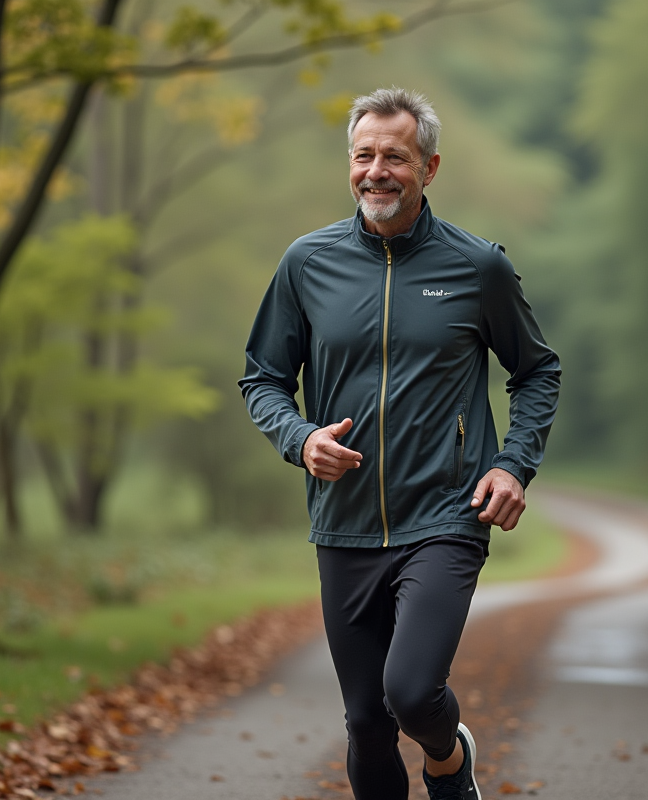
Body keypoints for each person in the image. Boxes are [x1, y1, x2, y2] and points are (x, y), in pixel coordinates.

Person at [239, 87, 560, 800]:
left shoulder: (477, 268)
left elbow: (537, 371)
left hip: (446, 516)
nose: (376, 171)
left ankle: (448, 757)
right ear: (348, 163)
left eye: (395, 156)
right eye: (364, 155)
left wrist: (513, 465)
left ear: (429, 167)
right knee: (364, 723)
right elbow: (262, 378)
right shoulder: (307, 264)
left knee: (411, 693)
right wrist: (299, 438)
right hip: (343, 522)